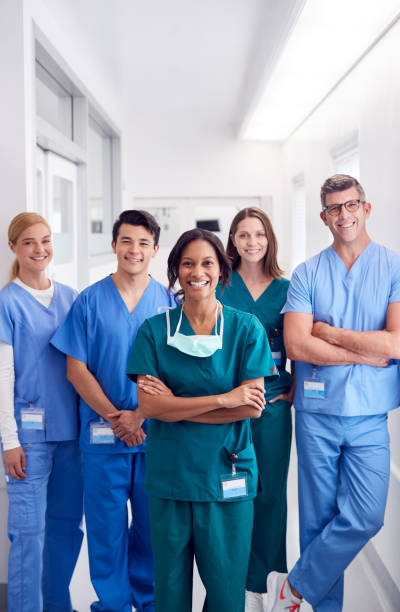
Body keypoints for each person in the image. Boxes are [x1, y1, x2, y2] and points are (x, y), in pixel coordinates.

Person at [126, 228, 278, 612]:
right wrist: (223, 399)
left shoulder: (246, 329)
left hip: (225, 477)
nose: (198, 271)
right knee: (170, 592)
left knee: (227, 595)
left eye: (207, 262)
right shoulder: (154, 331)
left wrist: (176, 404)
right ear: (176, 270)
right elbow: (149, 406)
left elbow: (251, 408)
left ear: (221, 270)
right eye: (188, 263)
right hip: (171, 479)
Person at [266, 174, 400, 612]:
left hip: (369, 416)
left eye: (351, 205)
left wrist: (332, 334)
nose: (344, 215)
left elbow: (396, 344)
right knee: (317, 522)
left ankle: (295, 588)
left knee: (366, 516)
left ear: (366, 208)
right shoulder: (307, 273)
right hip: (317, 415)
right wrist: (364, 351)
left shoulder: (393, 267)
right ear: (323, 216)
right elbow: (298, 345)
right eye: (334, 208)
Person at [51, 210, 174, 612]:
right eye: (126, 241)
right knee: (106, 532)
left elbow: (181, 370)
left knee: (152, 530)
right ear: (114, 245)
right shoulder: (89, 300)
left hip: (156, 436)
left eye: (143, 243)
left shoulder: (171, 304)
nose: (134, 250)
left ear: (155, 249)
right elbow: (76, 369)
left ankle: (148, 601)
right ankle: (115, 605)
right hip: (104, 438)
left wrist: (140, 415)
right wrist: (117, 418)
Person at [0, 212, 83, 612]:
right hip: (28, 437)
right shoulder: (8, 301)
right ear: (14, 247)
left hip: (72, 432)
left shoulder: (70, 297)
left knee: (66, 529)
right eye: (30, 242)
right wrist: (10, 440)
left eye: (46, 240)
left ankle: (57, 606)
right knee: (29, 533)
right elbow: (3, 377)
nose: (39, 249)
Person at [216, 207, 294, 611]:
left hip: (274, 408)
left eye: (259, 235)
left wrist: (295, 387)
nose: (252, 243)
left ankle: (268, 581)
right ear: (232, 240)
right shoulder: (220, 286)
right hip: (227, 408)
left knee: (270, 496)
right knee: (232, 492)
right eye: (243, 235)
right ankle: (236, 583)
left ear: (269, 239)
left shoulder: (286, 288)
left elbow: (299, 341)